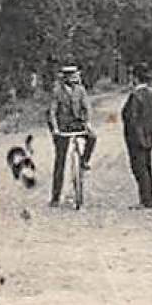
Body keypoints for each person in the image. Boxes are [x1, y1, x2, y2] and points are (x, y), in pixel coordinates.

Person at [46, 65, 96, 207]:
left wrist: (87, 123)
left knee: (92, 137)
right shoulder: (57, 91)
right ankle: (55, 197)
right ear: (65, 78)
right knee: (60, 160)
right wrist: (55, 128)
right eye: (71, 76)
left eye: (75, 75)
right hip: (62, 126)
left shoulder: (80, 90)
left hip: (77, 123)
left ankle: (84, 161)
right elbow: (52, 112)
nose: (74, 78)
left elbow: (86, 108)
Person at [120, 71, 152, 209]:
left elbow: (131, 119)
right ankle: (150, 200)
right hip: (148, 137)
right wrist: (149, 131)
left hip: (135, 139)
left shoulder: (135, 96)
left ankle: (145, 201)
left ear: (135, 78)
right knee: (148, 169)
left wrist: (135, 135)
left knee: (139, 169)